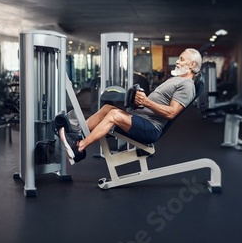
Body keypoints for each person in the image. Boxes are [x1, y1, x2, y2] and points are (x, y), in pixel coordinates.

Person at [60, 48, 202, 164]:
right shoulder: (177, 80)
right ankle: (77, 134)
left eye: (182, 59)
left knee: (114, 115)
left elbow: (171, 113)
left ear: (192, 65)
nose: (177, 61)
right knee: (107, 109)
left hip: (151, 128)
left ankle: (79, 148)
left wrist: (146, 102)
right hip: (142, 119)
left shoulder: (187, 86)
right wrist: (138, 101)